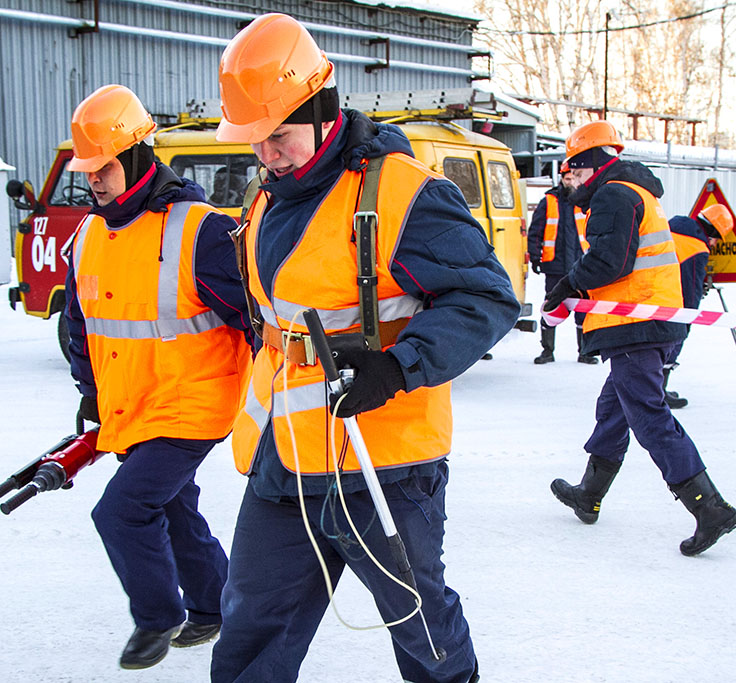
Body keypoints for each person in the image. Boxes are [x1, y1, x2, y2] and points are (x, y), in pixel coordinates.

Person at [209, 13, 518, 683]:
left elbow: (487, 299)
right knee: (250, 630)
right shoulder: (266, 200)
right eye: (254, 142)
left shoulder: (406, 195)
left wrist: (398, 365)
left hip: (384, 462)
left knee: (421, 627)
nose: (266, 155)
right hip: (285, 457)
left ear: (321, 108)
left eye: (279, 137)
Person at [63, 85, 253, 670]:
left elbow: (257, 319)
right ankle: (215, 604)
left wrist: (276, 403)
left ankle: (157, 616)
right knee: (172, 507)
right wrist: (92, 396)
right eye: (89, 170)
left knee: (120, 511)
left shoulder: (202, 231)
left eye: (106, 167)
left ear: (141, 154)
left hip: (194, 406)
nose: (95, 180)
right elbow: (80, 327)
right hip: (132, 405)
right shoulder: (89, 235)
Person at [543, 120, 736, 556]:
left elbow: (608, 262)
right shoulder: (630, 191)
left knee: (649, 416)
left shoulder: (614, 194)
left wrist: (567, 286)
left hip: (635, 321)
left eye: (571, 170)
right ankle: (590, 494)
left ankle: (709, 508)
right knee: (614, 409)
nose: (569, 180)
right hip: (644, 319)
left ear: (589, 164)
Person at [662, 204, 735, 408]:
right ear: (712, 230)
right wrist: (689, 318)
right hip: (672, 302)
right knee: (673, 340)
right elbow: (691, 286)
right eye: (716, 238)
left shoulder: (672, 225)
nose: (713, 244)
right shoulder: (696, 248)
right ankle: (658, 392)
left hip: (651, 294)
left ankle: (655, 390)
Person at [528, 163, 598, 365]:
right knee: (551, 306)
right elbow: (536, 231)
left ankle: (585, 352)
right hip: (555, 266)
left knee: (583, 309)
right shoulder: (549, 201)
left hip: (581, 264)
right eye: (566, 179)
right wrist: (535, 256)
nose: (570, 182)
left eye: (572, 178)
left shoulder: (585, 202)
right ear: (561, 179)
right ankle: (547, 350)